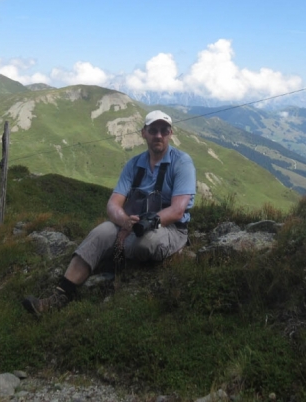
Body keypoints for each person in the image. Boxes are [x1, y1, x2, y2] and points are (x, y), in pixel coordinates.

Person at [22, 110, 196, 315]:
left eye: (164, 130)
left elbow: (177, 210)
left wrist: (142, 225)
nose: (159, 135)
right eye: (153, 130)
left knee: (145, 243)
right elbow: (113, 203)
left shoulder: (182, 162)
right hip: (131, 223)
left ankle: (118, 258)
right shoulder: (134, 165)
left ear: (170, 133)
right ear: (144, 133)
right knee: (100, 233)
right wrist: (125, 222)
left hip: (169, 227)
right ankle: (59, 297)